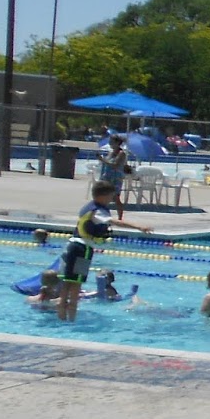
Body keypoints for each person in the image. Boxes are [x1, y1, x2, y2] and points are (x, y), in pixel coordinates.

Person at [59, 180, 152, 321]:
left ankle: (62, 318)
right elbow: (114, 222)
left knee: (66, 286)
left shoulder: (87, 208)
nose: (111, 200)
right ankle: (71, 320)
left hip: (71, 246)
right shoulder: (98, 210)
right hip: (82, 250)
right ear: (103, 196)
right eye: (111, 197)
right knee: (75, 286)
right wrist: (139, 227)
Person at [97, 133, 129, 217]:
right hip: (107, 178)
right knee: (103, 197)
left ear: (117, 143)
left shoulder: (121, 153)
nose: (110, 143)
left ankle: (120, 218)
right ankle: (103, 216)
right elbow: (106, 163)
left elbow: (115, 165)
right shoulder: (110, 153)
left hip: (115, 179)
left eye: (112, 142)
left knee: (116, 198)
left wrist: (103, 160)